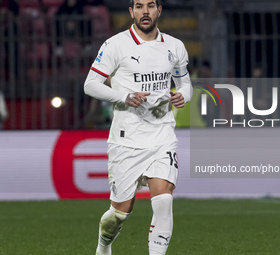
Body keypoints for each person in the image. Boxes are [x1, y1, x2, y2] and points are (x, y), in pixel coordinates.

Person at [83, 0, 192, 254]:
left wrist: (183, 96)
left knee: (164, 200)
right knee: (119, 214)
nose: (146, 11)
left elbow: (184, 83)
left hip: (162, 135)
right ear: (131, 12)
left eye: (151, 5)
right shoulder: (115, 45)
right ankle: (103, 246)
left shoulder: (175, 46)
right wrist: (123, 96)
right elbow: (90, 84)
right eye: (140, 6)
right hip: (126, 139)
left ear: (159, 10)